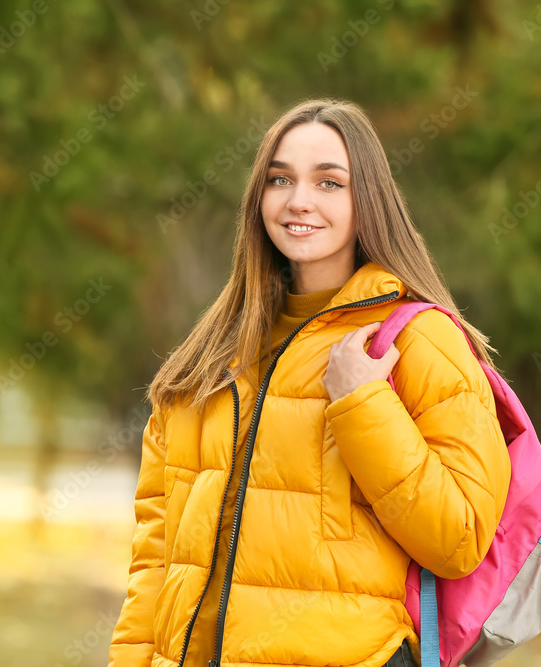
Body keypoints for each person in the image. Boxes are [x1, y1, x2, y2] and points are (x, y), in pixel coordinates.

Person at [107, 97, 512, 667]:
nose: (299, 201)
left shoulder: (417, 341)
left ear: (366, 200)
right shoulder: (208, 359)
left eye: (329, 183)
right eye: (280, 179)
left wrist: (363, 402)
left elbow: (460, 538)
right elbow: (154, 561)